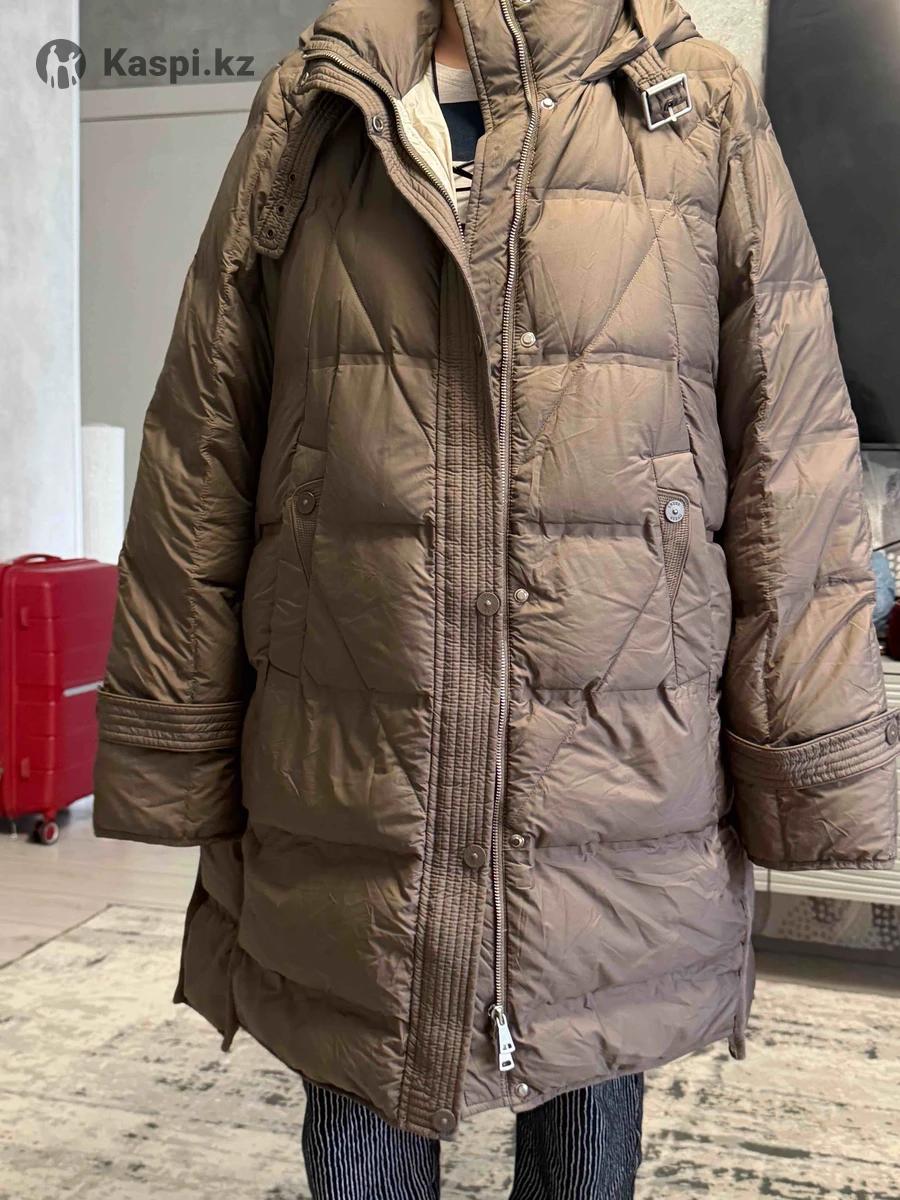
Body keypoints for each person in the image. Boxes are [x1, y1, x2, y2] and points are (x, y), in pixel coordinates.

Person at [91, 0, 899, 1197]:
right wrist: (173, 734)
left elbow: (795, 455)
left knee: (588, 1115)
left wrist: (811, 755)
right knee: (360, 1117)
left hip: (618, 765)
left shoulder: (696, 109)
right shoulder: (322, 103)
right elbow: (204, 436)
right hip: (349, 750)